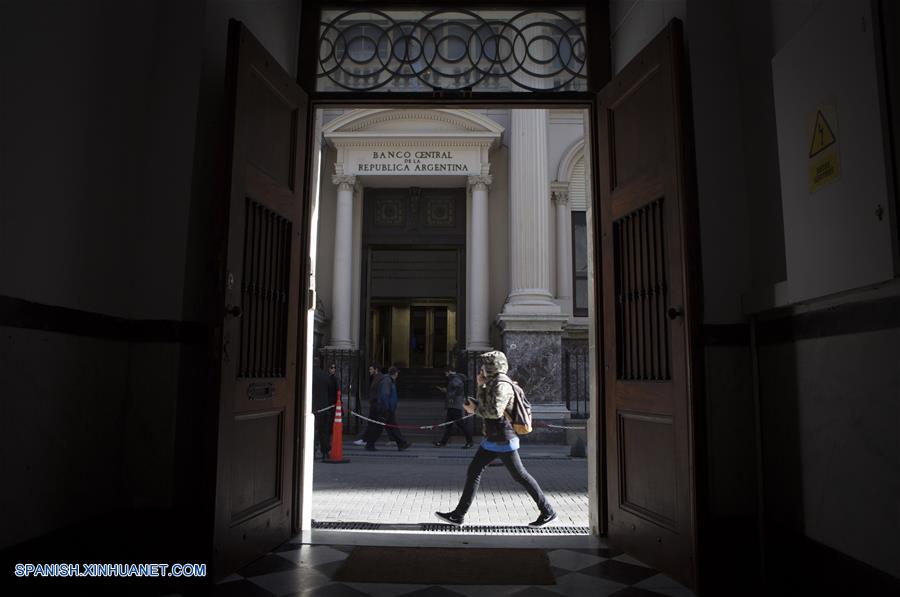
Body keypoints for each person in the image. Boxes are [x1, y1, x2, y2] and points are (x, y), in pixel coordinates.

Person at [435, 350, 557, 527]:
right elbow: (486, 403)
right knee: (475, 472)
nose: (482, 368)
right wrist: (481, 386)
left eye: (485, 365)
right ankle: (458, 515)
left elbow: (494, 412)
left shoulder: (502, 385)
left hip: (502, 438)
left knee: (520, 476)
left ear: (493, 366)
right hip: (493, 437)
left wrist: (474, 410)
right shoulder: (493, 382)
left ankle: (548, 511)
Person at [364, 366, 411, 451]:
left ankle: (401, 443)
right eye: (397, 373)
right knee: (380, 427)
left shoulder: (389, 380)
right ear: (395, 373)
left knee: (392, 426)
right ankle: (370, 444)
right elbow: (385, 395)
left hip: (387, 408)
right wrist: (386, 407)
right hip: (385, 409)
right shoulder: (387, 381)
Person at [433, 366, 473, 448]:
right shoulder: (455, 379)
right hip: (453, 405)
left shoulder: (455, 379)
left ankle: (470, 441)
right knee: (449, 425)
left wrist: (449, 394)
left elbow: (457, 389)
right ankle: (443, 442)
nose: (445, 375)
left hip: (455, 405)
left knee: (460, 424)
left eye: (446, 373)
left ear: (450, 371)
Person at [311, 356, 335, 460]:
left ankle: (311, 452)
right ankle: (325, 452)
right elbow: (331, 392)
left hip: (311, 407)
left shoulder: (308, 374)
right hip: (324, 408)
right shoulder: (325, 376)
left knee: (311, 431)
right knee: (323, 432)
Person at [354, 364, 383, 446]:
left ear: (376, 369)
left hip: (376, 404)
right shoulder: (376, 378)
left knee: (374, 424)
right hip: (375, 404)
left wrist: (375, 401)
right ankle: (366, 440)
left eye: (371, 369)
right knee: (374, 423)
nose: (369, 371)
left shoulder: (379, 378)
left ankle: (367, 440)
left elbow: (378, 392)